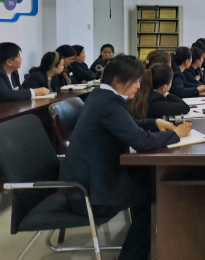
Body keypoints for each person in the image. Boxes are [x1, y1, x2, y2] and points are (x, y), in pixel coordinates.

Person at [61, 54, 192, 260]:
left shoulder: (101, 95)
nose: (139, 86)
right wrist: (175, 134)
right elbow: (140, 141)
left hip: (90, 177)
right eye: (136, 82)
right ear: (118, 81)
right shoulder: (109, 103)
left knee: (150, 179)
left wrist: (154, 122)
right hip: (90, 192)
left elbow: (127, 124)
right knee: (155, 192)